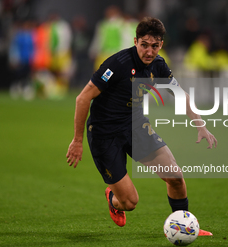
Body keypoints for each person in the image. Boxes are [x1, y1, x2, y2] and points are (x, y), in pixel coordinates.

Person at [66, 17, 217, 235]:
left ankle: (185, 226)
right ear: (136, 41)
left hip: (135, 126)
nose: (149, 51)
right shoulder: (117, 64)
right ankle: (113, 197)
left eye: (154, 46)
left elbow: (180, 94)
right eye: (144, 45)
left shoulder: (159, 65)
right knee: (130, 202)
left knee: (175, 177)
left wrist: (200, 124)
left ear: (160, 45)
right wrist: (77, 141)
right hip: (104, 134)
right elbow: (82, 99)